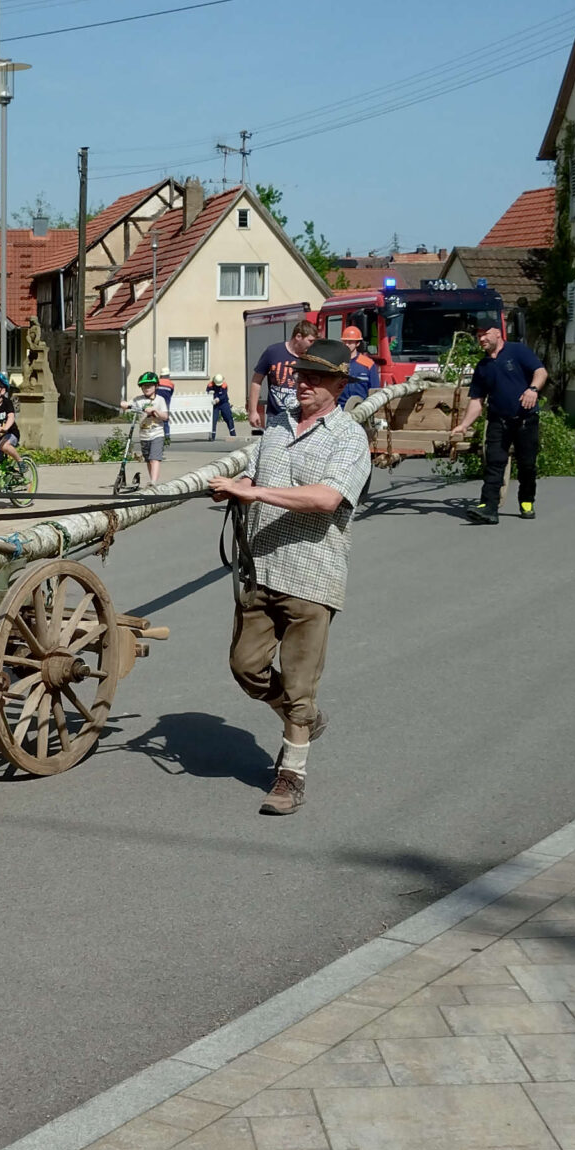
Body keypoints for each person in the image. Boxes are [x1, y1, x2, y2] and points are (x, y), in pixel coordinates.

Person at [207, 337, 371, 816]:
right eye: (301, 375)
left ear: (339, 386)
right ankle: (306, 720)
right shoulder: (277, 426)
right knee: (245, 666)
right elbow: (255, 477)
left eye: (317, 378)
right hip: (260, 567)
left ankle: (291, 775)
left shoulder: (348, 438)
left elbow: (327, 499)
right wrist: (236, 488)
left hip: (312, 576)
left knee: (299, 684)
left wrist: (256, 495)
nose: (304, 384)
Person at [449, 320, 548, 525]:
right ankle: (488, 508)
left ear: (497, 333)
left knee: (527, 465)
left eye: (485, 334)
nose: (482, 339)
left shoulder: (517, 351)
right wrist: (464, 425)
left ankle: (527, 501)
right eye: (479, 336)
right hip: (498, 421)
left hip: (525, 420)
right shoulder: (483, 366)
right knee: (494, 463)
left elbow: (541, 372)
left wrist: (533, 390)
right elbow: (477, 401)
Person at [250, 315, 320, 431]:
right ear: (298, 337)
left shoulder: (311, 357)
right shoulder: (273, 352)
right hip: (275, 416)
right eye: (310, 340)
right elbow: (256, 381)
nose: (313, 345)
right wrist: (253, 411)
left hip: (302, 417)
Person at [128, 371, 170, 486]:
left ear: (156, 386)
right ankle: (152, 479)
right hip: (144, 434)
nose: (146, 388)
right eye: (144, 386)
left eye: (149, 386)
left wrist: (156, 411)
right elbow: (127, 405)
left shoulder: (160, 400)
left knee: (154, 458)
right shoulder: (138, 400)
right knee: (148, 459)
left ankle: (153, 481)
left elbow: (165, 416)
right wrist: (125, 404)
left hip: (157, 433)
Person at [210, 375, 235, 440]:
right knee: (213, 420)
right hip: (215, 404)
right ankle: (212, 436)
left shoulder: (224, 385)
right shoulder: (210, 385)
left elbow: (224, 395)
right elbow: (207, 392)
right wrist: (210, 396)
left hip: (224, 403)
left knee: (229, 418)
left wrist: (218, 399)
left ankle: (233, 435)